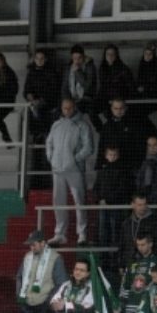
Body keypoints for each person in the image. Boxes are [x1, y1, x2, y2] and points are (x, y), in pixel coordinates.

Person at [46, 98, 94, 245]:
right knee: (58, 200)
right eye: (64, 108)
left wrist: (74, 159)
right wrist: (51, 158)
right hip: (57, 169)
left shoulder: (82, 125)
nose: (67, 111)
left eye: (69, 108)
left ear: (74, 108)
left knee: (79, 199)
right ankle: (60, 233)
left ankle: (82, 233)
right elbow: (49, 143)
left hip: (74, 169)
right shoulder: (56, 124)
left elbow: (88, 147)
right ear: (61, 108)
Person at [16, 230, 67, 313]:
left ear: (43, 243)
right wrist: (19, 295)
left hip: (45, 307)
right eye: (30, 245)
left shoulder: (55, 258)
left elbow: (61, 283)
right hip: (26, 305)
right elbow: (19, 277)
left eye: (34, 245)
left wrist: (48, 302)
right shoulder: (27, 257)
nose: (31, 247)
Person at [97, 97, 156, 170]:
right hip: (112, 166)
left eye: (121, 108)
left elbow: (140, 145)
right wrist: (99, 164)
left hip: (130, 165)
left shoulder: (134, 124)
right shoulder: (107, 126)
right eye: (116, 108)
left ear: (126, 108)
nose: (119, 111)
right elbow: (102, 146)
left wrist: (138, 164)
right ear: (111, 109)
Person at [94, 145, 133, 249]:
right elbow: (96, 187)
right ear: (106, 156)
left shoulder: (122, 171)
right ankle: (104, 253)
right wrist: (100, 199)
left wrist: (107, 200)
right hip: (103, 205)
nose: (112, 157)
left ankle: (115, 252)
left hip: (116, 205)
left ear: (118, 156)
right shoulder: (101, 171)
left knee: (115, 229)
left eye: (114, 155)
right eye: (110, 154)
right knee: (103, 230)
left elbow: (122, 188)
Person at [120, 233, 157, 313]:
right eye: (138, 245)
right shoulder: (132, 262)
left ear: (150, 244)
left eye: (143, 245)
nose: (140, 248)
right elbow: (125, 285)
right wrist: (122, 305)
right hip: (131, 307)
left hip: (149, 308)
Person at [118, 193, 157, 269]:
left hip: (149, 264)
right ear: (133, 205)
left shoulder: (155, 222)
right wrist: (121, 265)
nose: (142, 207)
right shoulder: (126, 223)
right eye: (139, 205)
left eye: (144, 204)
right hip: (130, 263)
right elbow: (122, 245)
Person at [60, 44, 101, 131]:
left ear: (84, 57)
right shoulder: (68, 68)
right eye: (74, 58)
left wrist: (78, 72)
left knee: (92, 113)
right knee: (59, 112)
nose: (77, 61)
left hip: (87, 99)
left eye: (79, 58)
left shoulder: (89, 67)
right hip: (72, 99)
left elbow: (87, 86)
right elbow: (64, 87)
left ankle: (101, 131)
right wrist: (66, 100)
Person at [24, 49, 59, 141]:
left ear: (45, 59)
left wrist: (40, 100)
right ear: (34, 59)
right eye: (37, 58)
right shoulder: (31, 73)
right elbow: (27, 89)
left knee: (38, 110)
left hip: (49, 101)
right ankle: (37, 134)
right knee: (29, 110)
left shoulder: (51, 72)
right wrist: (30, 97)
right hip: (34, 102)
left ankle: (42, 133)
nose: (39, 60)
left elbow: (54, 89)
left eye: (42, 58)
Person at [96, 44, 135, 118]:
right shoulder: (102, 68)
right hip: (106, 98)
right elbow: (103, 86)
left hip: (119, 98)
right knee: (92, 110)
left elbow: (130, 86)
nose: (110, 56)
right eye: (108, 54)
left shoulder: (123, 68)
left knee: (113, 115)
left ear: (116, 55)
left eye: (112, 54)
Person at [134, 42, 157, 118]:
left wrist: (145, 88)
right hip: (144, 97)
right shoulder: (142, 64)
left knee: (140, 111)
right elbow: (139, 80)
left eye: (150, 54)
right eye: (146, 53)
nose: (147, 56)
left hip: (156, 96)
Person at [0, 53, 18, 143]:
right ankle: (7, 138)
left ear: (3, 62)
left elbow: (14, 90)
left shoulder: (9, 73)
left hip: (7, 102)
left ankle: (7, 138)